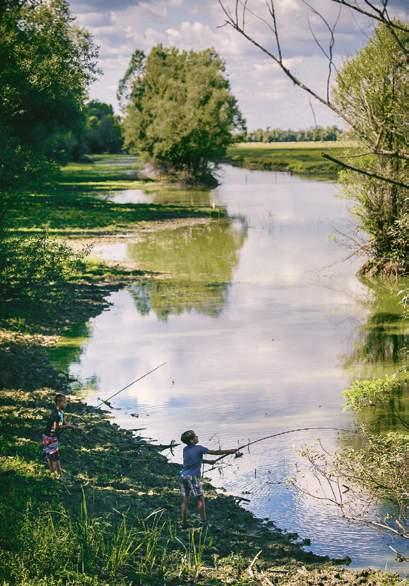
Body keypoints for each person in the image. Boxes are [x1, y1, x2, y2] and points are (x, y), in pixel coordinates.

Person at [179, 429, 237, 526]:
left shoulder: (185, 449)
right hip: (193, 477)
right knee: (200, 499)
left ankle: (184, 522)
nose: (197, 437)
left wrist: (208, 462)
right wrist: (230, 451)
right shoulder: (199, 448)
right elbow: (215, 452)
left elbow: (193, 460)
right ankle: (203, 522)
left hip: (183, 476)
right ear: (191, 440)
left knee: (185, 500)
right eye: (195, 436)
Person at [42, 393, 80, 478]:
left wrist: (72, 426)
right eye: (64, 402)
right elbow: (56, 427)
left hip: (53, 437)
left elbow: (63, 422)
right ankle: (56, 475)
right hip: (50, 437)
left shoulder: (61, 412)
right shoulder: (55, 414)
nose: (66, 404)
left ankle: (57, 474)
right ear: (58, 403)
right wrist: (68, 426)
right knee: (53, 457)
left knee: (54, 456)